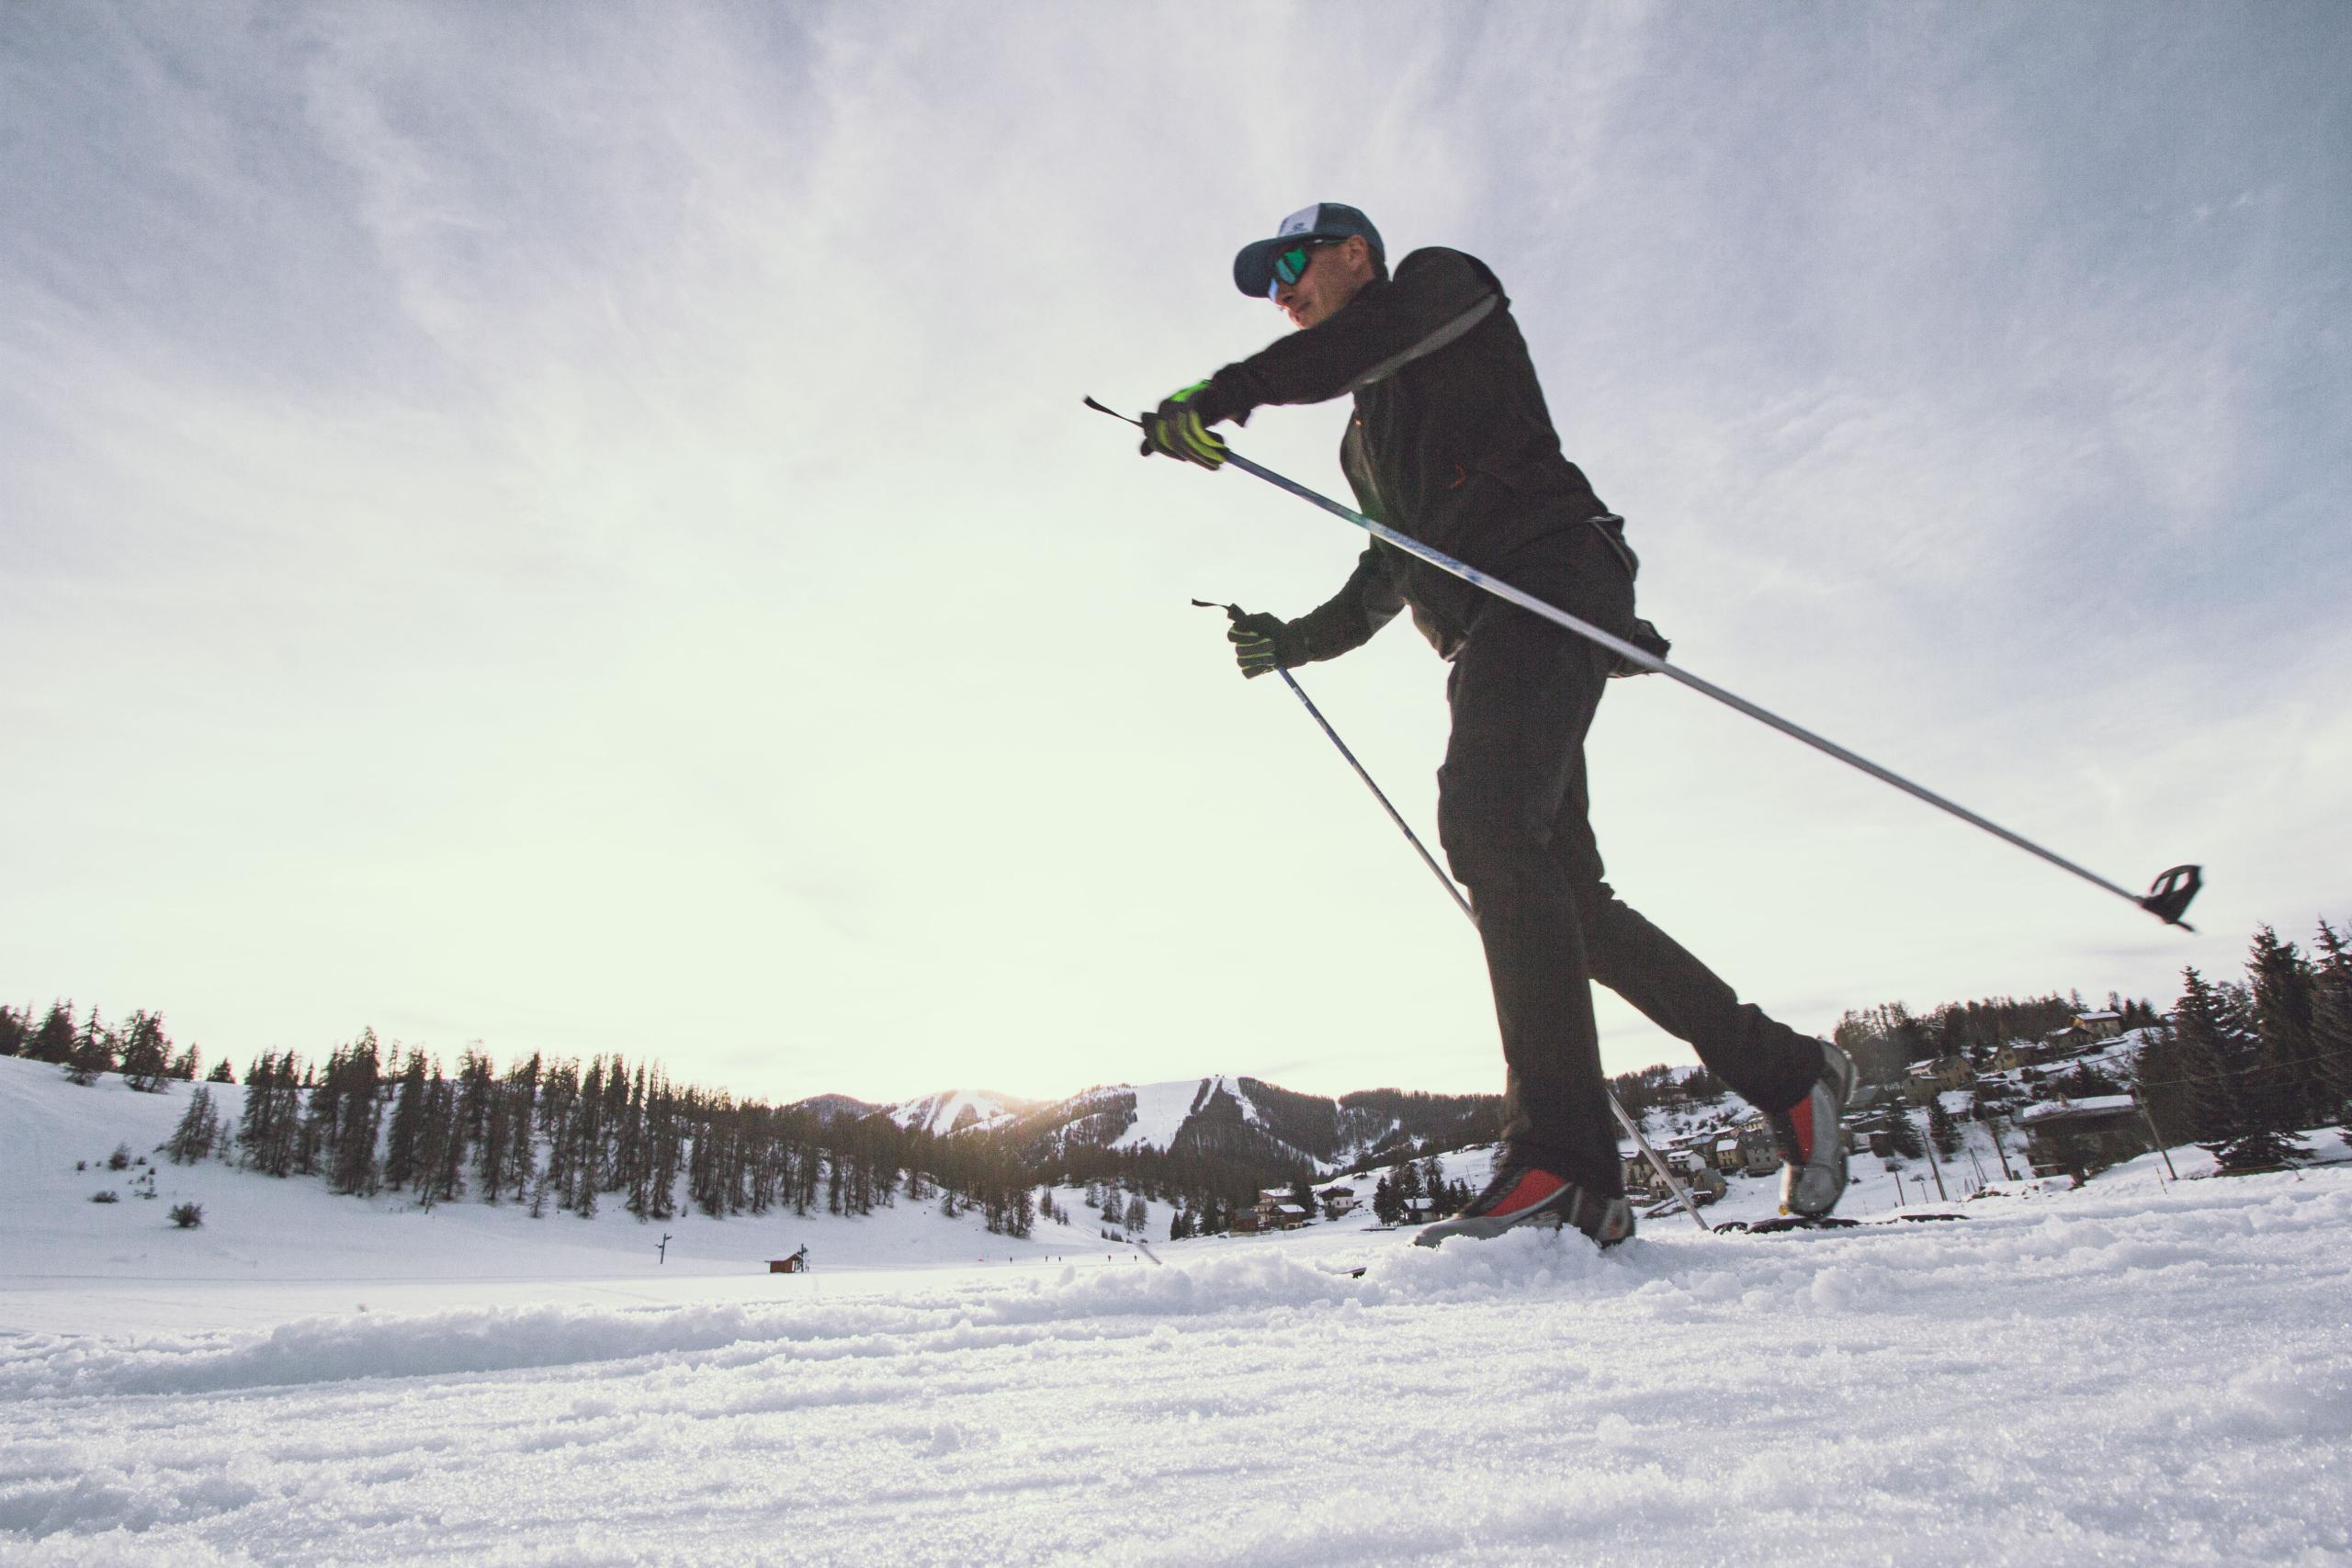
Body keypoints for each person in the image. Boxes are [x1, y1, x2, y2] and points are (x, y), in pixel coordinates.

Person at [1141, 203, 1856, 1248]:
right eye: (1264, 282)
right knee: (1566, 897)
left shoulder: (1441, 290)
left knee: (1485, 828)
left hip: (1547, 584)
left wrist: (1230, 391)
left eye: (1293, 264)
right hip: (1487, 635)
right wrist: (1292, 641)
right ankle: (1787, 1074)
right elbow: (1387, 569)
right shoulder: (1361, 435)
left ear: (1354, 254)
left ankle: (1565, 1167)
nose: (1279, 289)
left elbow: (1356, 347)